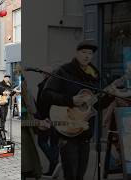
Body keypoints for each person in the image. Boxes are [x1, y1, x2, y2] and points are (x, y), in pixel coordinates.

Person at [41, 40, 118, 180]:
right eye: (84, 52)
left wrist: (110, 96)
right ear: (76, 53)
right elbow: (46, 94)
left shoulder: (95, 76)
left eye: (90, 53)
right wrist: (70, 100)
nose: (87, 56)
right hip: (67, 130)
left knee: (80, 174)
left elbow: (96, 106)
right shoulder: (63, 71)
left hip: (85, 131)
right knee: (71, 173)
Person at [34, 66, 61, 177]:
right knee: (54, 143)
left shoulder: (46, 86)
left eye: (45, 73)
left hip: (47, 118)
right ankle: (53, 169)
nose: (43, 74)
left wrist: (42, 118)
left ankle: (54, 163)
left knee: (43, 142)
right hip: (55, 117)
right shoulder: (57, 86)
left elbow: (43, 104)